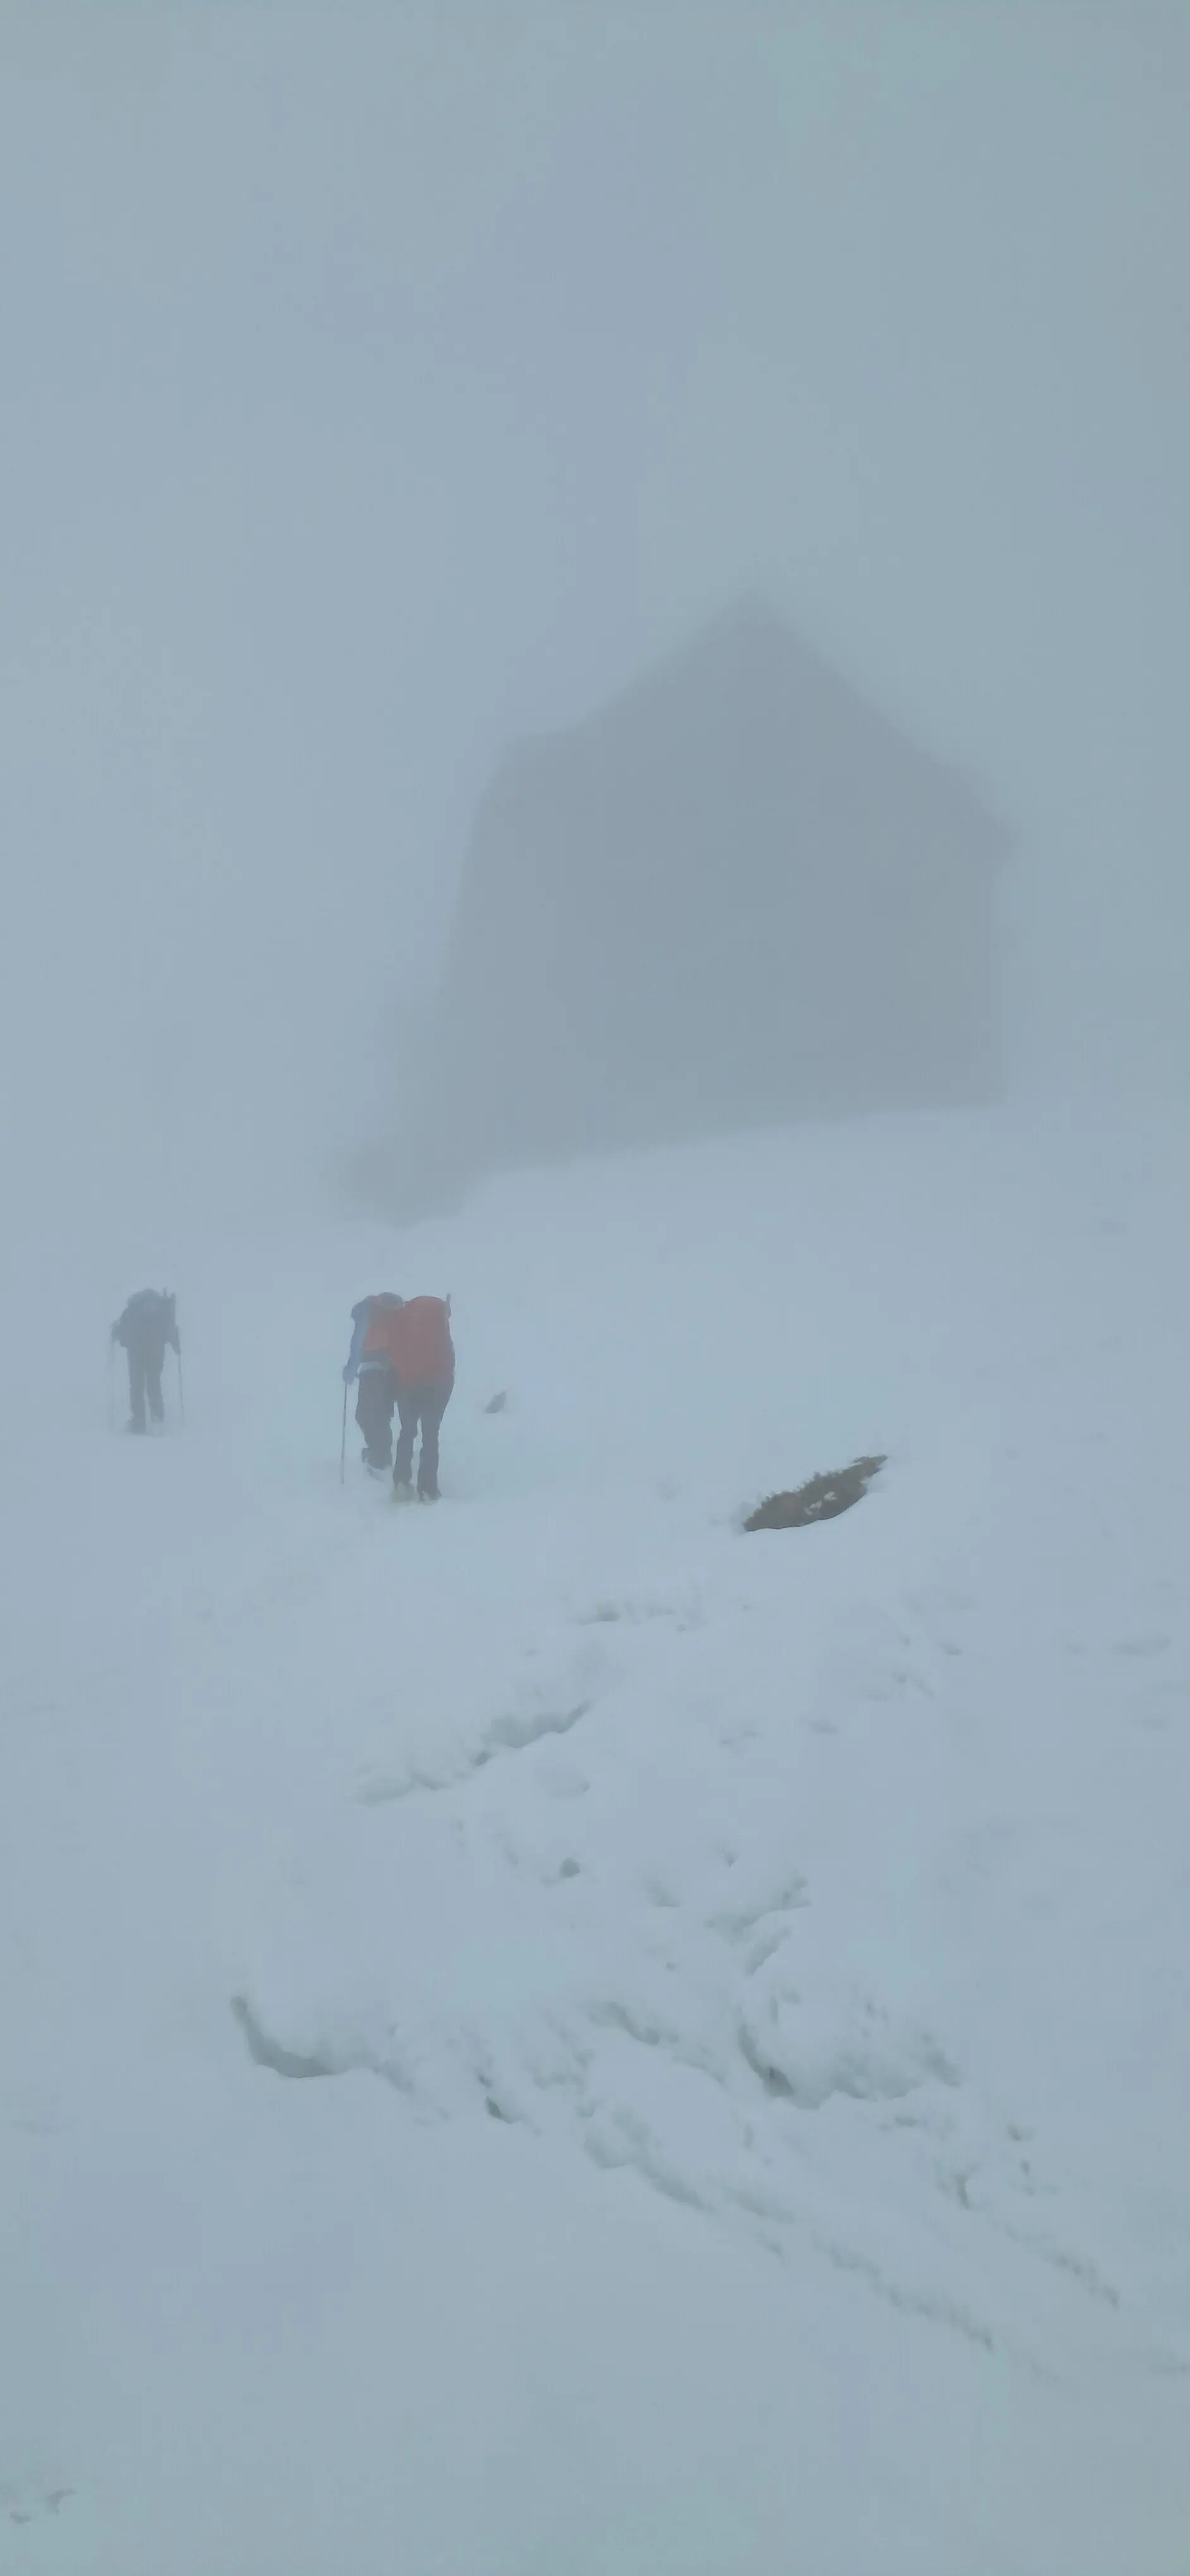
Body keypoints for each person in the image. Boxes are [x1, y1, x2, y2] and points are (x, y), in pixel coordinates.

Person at [387, 1294, 455, 1500]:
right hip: (436, 1385)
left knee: (407, 1433)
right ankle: (427, 1488)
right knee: (430, 1435)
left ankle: (401, 1482)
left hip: (408, 1385)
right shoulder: (440, 1326)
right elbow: (450, 1360)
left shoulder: (403, 1319)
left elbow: (393, 1353)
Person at [342, 1293, 405, 1473]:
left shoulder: (367, 1313)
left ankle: (379, 1458)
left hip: (373, 1370)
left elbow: (358, 1345)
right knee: (382, 1415)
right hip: (394, 1371)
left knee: (364, 1415)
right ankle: (382, 1456)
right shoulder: (397, 1314)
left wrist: (350, 1370)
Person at [111, 1289, 180, 1434]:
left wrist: (115, 1333)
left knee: (136, 1387)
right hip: (156, 1352)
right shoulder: (162, 1311)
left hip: (136, 1353)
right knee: (154, 1383)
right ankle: (158, 1418)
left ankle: (138, 1423)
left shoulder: (131, 1311)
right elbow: (169, 1331)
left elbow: (121, 1331)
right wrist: (176, 1344)